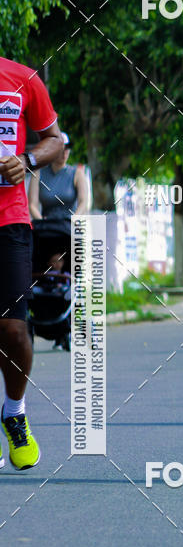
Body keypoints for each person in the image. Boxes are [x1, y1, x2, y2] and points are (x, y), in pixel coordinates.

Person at [0, 56, 62, 469]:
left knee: (13, 328)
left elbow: (55, 140)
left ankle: (14, 410)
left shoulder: (22, 78)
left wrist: (27, 160)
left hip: (9, 221)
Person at [28, 131, 89, 238]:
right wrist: (41, 221)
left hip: (69, 227)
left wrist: (74, 219)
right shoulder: (38, 173)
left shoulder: (77, 173)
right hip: (47, 227)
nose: (65, 152)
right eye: (61, 149)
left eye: (67, 148)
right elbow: (32, 204)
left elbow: (83, 201)